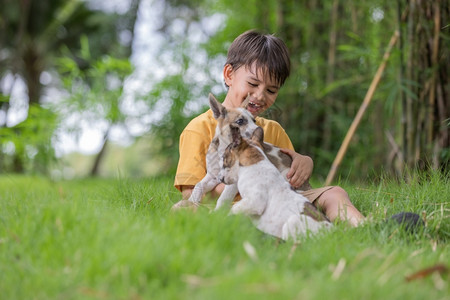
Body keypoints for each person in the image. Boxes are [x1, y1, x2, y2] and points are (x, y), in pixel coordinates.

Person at [173, 30, 364, 226]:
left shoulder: (272, 129)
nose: (260, 95)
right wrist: (247, 187)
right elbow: (190, 192)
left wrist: (305, 162)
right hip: (231, 208)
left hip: (282, 200)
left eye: (271, 90)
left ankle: (366, 227)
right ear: (229, 75)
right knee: (184, 209)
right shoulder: (198, 129)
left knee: (335, 193)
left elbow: (289, 174)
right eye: (253, 83)